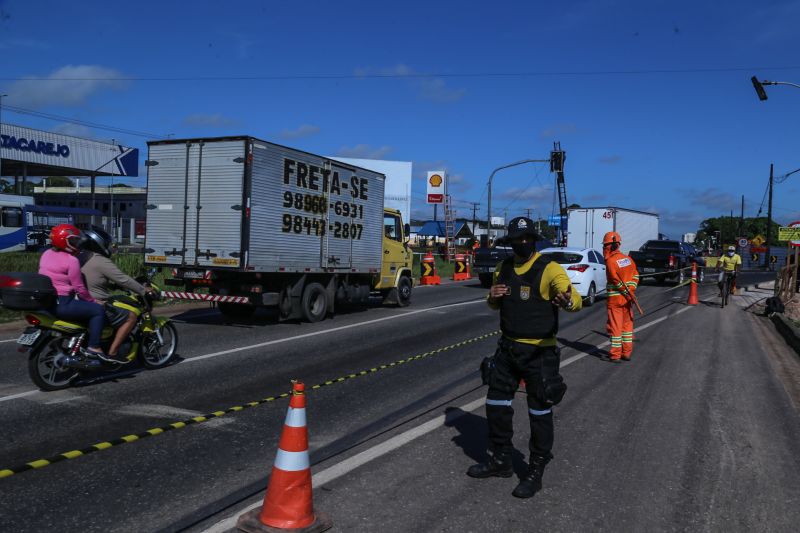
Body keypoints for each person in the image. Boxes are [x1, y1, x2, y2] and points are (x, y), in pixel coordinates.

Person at [467, 217, 581, 499]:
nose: (522, 243)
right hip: (507, 349)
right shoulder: (502, 268)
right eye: (517, 239)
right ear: (511, 242)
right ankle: (501, 459)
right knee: (495, 404)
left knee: (539, 412)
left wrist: (567, 300)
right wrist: (492, 297)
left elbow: (573, 299)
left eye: (526, 239)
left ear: (534, 240)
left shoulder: (549, 269)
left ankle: (535, 469)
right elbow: (494, 305)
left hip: (539, 353)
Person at [79, 226, 154, 362]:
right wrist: (144, 290)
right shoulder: (100, 260)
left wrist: (111, 285)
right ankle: (113, 353)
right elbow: (123, 279)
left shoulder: (82, 256)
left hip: (79, 300)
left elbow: (92, 279)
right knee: (131, 316)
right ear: (99, 243)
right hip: (95, 302)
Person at [38, 224, 108, 360]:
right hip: (63, 303)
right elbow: (79, 288)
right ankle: (94, 347)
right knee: (97, 311)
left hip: (48, 301)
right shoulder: (71, 260)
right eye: (73, 241)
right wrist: (94, 301)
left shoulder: (46, 254)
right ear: (64, 241)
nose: (77, 244)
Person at [602, 232, 639, 362]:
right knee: (627, 327)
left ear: (609, 246)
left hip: (616, 300)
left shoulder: (611, 262)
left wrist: (625, 291)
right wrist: (631, 291)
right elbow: (636, 276)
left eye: (604, 246)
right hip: (628, 299)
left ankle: (615, 355)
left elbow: (615, 280)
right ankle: (626, 353)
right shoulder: (628, 259)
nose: (604, 249)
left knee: (616, 327)